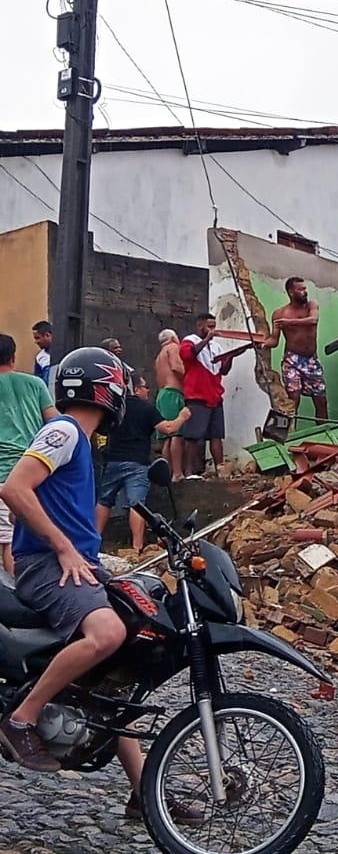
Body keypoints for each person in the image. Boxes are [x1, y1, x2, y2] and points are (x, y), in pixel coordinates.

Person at [0, 347, 199, 822]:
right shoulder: (64, 431)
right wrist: (64, 547)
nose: (123, 396)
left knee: (120, 676)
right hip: (47, 565)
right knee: (107, 634)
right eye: (119, 387)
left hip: (76, 564)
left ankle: (144, 795)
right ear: (104, 390)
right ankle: (22, 719)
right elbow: (13, 487)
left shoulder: (81, 441)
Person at [96, 379, 190, 552]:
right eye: (146, 387)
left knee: (104, 501)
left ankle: (93, 543)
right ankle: (137, 547)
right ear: (137, 389)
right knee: (137, 504)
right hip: (137, 463)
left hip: (113, 460)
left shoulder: (115, 406)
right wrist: (182, 417)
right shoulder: (146, 408)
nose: (148, 391)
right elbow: (168, 428)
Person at [0, 333, 56, 574]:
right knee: (15, 540)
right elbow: (54, 421)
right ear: (13, 357)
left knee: (7, 539)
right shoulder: (35, 384)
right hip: (31, 474)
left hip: (2, 473)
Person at [179, 313, 251, 479]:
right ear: (199, 326)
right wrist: (206, 340)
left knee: (216, 435)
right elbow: (188, 355)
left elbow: (223, 370)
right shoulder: (189, 341)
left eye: (214, 326)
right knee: (192, 436)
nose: (213, 330)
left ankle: (220, 470)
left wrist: (232, 355)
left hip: (215, 396)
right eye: (209, 326)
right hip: (197, 396)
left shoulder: (217, 347)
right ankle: (188, 472)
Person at [263, 276, 328, 423]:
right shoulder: (279, 314)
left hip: (311, 359)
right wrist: (263, 344)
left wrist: (290, 322)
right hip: (292, 359)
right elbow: (274, 340)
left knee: (320, 400)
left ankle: (325, 432)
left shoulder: (311, 305)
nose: (305, 292)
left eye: (305, 289)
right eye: (301, 289)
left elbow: (313, 320)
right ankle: (288, 436)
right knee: (293, 398)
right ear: (291, 292)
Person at [153, 329, 186, 468]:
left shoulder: (159, 356)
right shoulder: (172, 347)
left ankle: (170, 472)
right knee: (176, 435)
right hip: (173, 393)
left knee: (166, 437)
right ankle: (177, 473)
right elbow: (177, 368)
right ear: (173, 337)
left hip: (162, 394)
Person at [31, 321, 53, 386]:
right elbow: (37, 381)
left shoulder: (65, 352)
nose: (36, 342)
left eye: (37, 338)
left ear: (47, 335)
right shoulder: (39, 357)